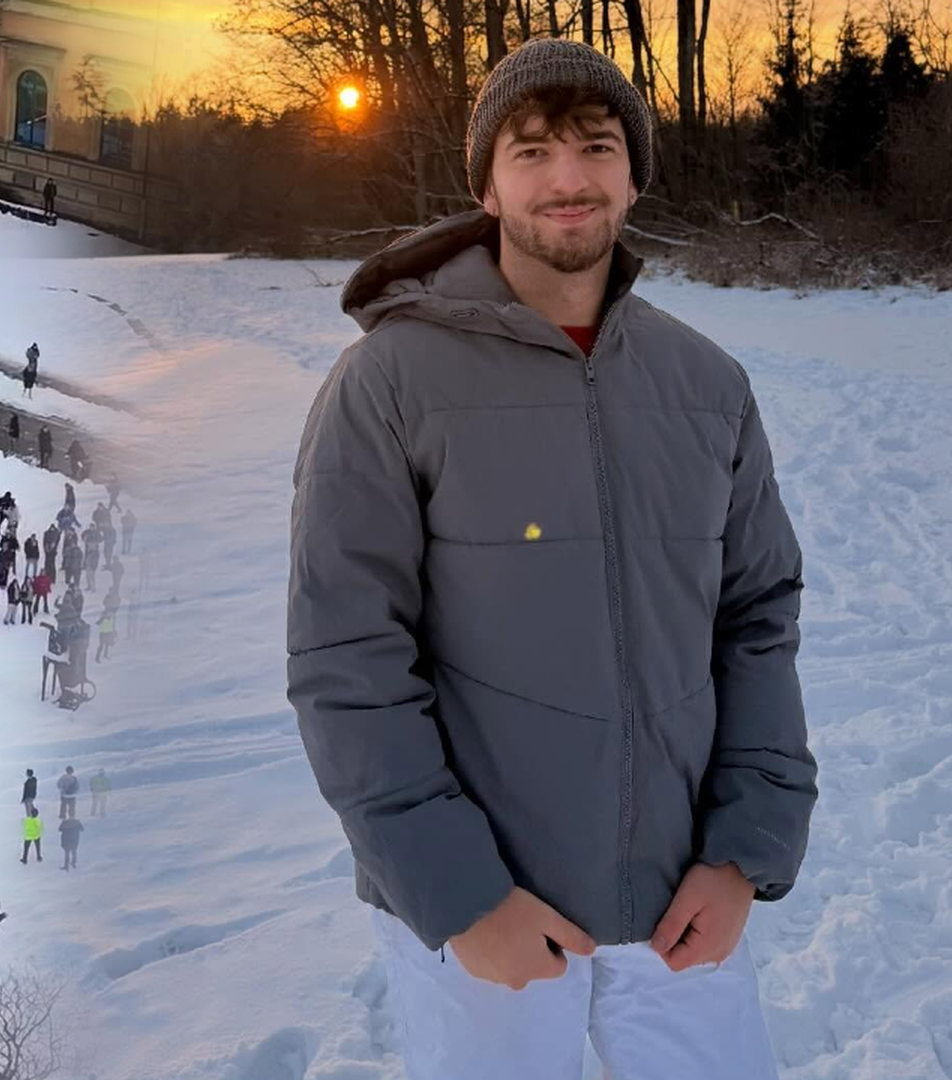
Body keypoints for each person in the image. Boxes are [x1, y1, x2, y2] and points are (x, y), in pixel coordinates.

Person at [285, 39, 816, 1079]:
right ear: (485, 182)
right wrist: (462, 898)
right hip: (486, 923)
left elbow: (758, 620)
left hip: (683, 910)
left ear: (632, 173)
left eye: (596, 147)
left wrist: (744, 855)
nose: (567, 179)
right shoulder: (389, 383)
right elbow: (345, 658)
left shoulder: (707, 385)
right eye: (530, 152)